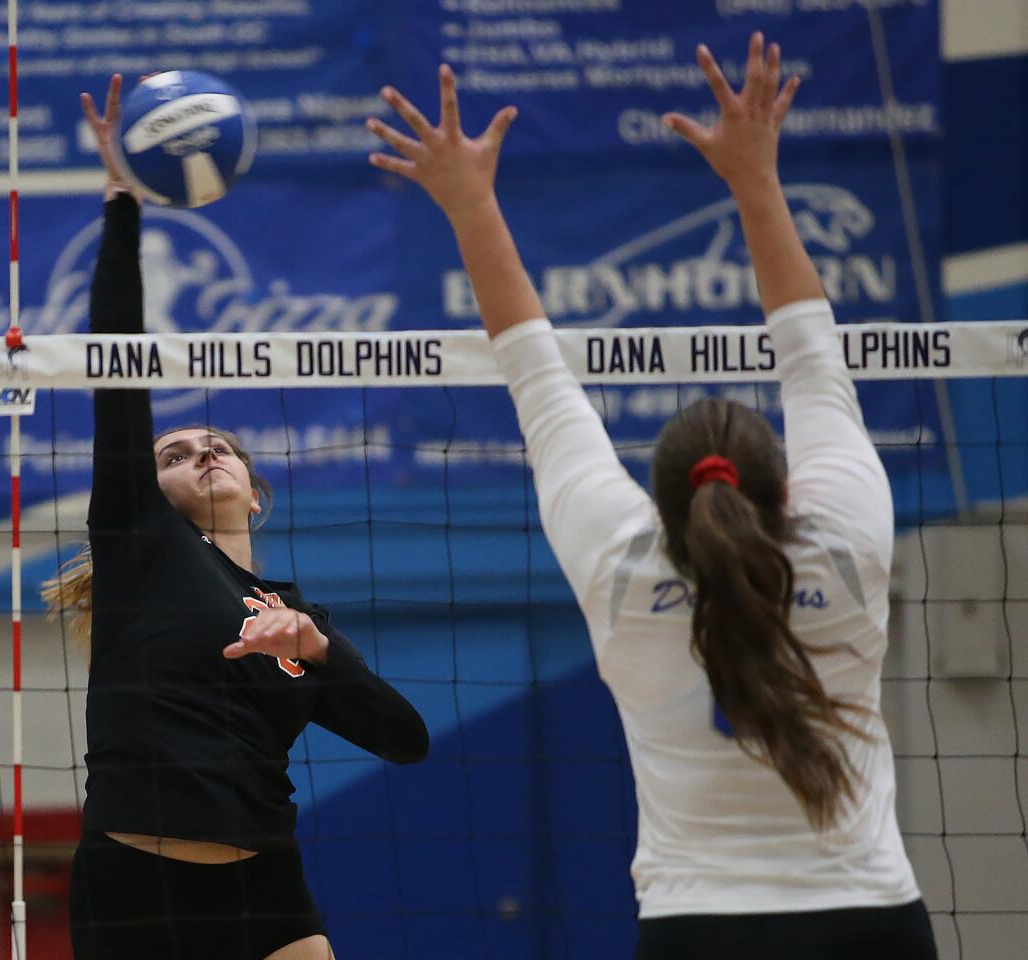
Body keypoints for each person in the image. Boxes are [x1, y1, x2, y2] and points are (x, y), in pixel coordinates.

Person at [365, 34, 937, 960]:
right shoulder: (845, 546)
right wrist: (758, 178)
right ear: (786, 487)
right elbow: (813, 354)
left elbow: (534, 377)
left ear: (663, 502)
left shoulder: (623, 570)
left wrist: (467, 201)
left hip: (698, 929)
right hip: (871, 922)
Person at [46, 73, 430, 960]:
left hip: (265, 879)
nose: (199, 455)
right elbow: (117, 364)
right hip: (137, 879)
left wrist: (318, 652)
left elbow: (404, 739)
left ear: (255, 490)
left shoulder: (296, 618)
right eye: (172, 455)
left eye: (216, 446)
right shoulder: (145, 548)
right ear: (153, 491)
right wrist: (121, 205)